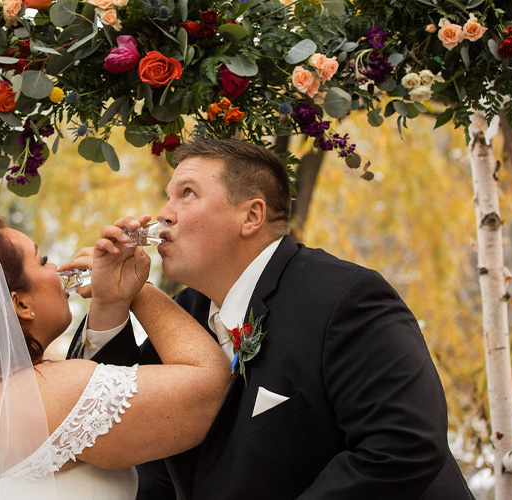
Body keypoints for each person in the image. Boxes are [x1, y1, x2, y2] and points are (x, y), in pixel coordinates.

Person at [70, 138, 476, 499]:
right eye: (167, 197)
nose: (164, 214)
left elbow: (403, 446)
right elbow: (128, 425)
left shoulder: (344, 297)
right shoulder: (188, 311)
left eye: (187, 193)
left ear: (251, 216)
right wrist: (109, 305)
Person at [0, 229, 229, 500]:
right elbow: (209, 386)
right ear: (20, 304)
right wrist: (139, 291)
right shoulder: (49, 393)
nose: (58, 269)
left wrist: (110, 304)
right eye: (43, 260)